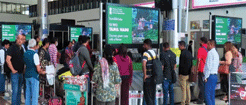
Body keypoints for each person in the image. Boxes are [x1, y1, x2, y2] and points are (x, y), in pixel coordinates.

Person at [23, 39, 46, 105]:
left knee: (27, 95)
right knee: (34, 96)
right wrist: (43, 72)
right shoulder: (35, 54)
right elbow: (38, 69)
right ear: (35, 46)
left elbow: (24, 66)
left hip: (27, 76)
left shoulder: (25, 53)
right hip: (34, 76)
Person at [6, 34, 26, 105]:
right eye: (19, 39)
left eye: (22, 39)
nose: (20, 40)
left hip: (21, 73)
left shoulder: (21, 49)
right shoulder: (12, 47)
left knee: (19, 91)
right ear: (16, 39)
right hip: (15, 73)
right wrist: (12, 70)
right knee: (15, 91)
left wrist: (23, 69)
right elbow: (8, 59)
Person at [204, 40, 220, 105]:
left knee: (207, 94)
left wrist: (206, 77)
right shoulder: (216, 53)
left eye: (208, 44)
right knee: (212, 95)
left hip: (210, 76)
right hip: (214, 76)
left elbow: (208, 66)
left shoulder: (210, 53)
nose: (207, 46)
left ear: (211, 44)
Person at [142, 39, 157, 105]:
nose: (143, 46)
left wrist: (145, 75)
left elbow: (144, 64)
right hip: (154, 77)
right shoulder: (154, 52)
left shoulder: (146, 53)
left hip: (148, 77)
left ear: (147, 45)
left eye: (144, 44)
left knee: (148, 97)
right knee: (152, 96)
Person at [178, 41, 192, 105]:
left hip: (183, 74)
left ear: (182, 46)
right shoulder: (189, 53)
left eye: (179, 45)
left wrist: (180, 73)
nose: (178, 46)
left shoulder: (182, 53)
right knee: (187, 88)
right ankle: (188, 101)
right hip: (189, 73)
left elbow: (181, 65)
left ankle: (183, 102)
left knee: (183, 89)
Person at [194, 37, 208, 104]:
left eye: (200, 41)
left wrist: (196, 69)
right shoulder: (208, 49)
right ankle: (205, 99)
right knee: (205, 85)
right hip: (207, 70)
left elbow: (198, 60)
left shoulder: (201, 49)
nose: (199, 42)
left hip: (201, 69)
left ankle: (200, 100)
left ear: (202, 42)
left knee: (201, 85)